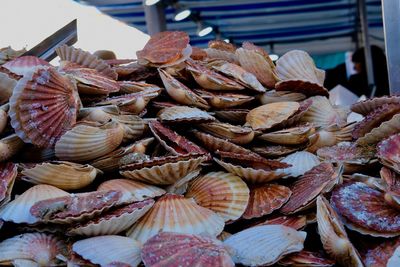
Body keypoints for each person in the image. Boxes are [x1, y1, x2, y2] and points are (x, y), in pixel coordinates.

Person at [324, 45, 389, 97]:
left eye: (356, 63)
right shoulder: (390, 77)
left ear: (364, 63)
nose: (354, 68)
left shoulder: (357, 81)